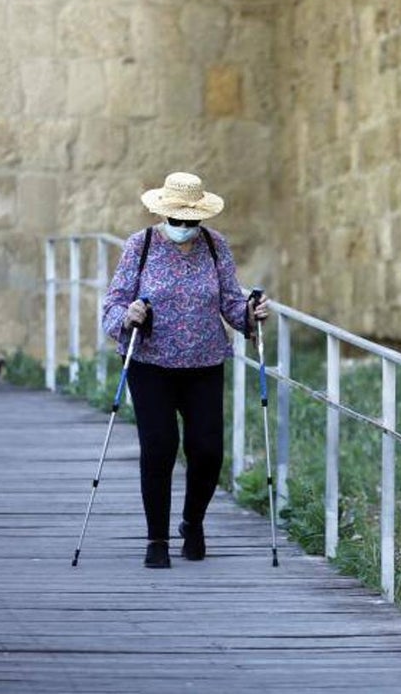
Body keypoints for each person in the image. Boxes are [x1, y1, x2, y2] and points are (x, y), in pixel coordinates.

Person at [102, 171, 270, 569]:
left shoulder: (215, 247)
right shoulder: (139, 246)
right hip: (151, 364)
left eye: (190, 222)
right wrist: (129, 315)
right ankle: (156, 540)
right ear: (163, 215)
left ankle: (193, 522)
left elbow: (231, 303)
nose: (183, 228)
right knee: (159, 449)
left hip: (205, 363)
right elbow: (112, 304)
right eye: (176, 221)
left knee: (208, 451)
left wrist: (251, 313)